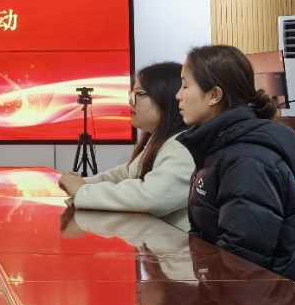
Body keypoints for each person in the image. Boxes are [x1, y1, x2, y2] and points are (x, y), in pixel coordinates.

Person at [176, 44, 295, 285]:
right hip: (231, 291)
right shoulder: (218, 147)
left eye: (185, 86)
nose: (178, 95)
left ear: (214, 95)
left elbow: (242, 259)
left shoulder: (246, 160)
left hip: (260, 300)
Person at [58, 62, 195, 230]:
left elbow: (151, 198)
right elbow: (125, 174)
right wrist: (81, 184)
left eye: (139, 94)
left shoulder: (184, 147)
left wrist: (83, 191)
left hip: (177, 245)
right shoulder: (159, 140)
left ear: (168, 97)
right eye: (132, 94)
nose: (131, 101)